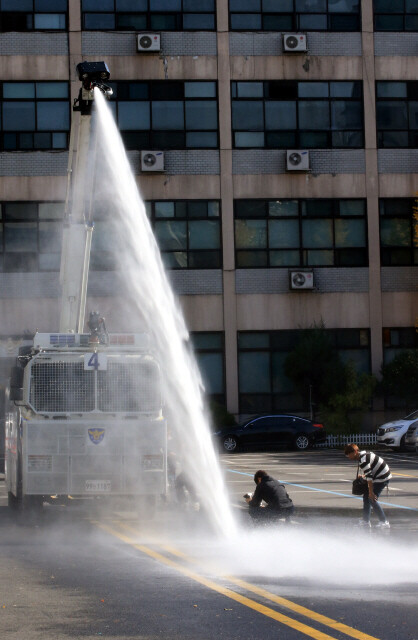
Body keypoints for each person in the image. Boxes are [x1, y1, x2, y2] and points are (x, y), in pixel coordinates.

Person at [344, 443, 392, 529]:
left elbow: (370, 478)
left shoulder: (363, 460)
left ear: (355, 452)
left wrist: (371, 492)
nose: (348, 456)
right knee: (366, 497)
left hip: (382, 477)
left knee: (371, 498)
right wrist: (364, 476)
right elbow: (370, 471)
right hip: (379, 474)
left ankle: (384, 522)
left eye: (349, 454)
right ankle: (365, 521)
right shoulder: (363, 454)